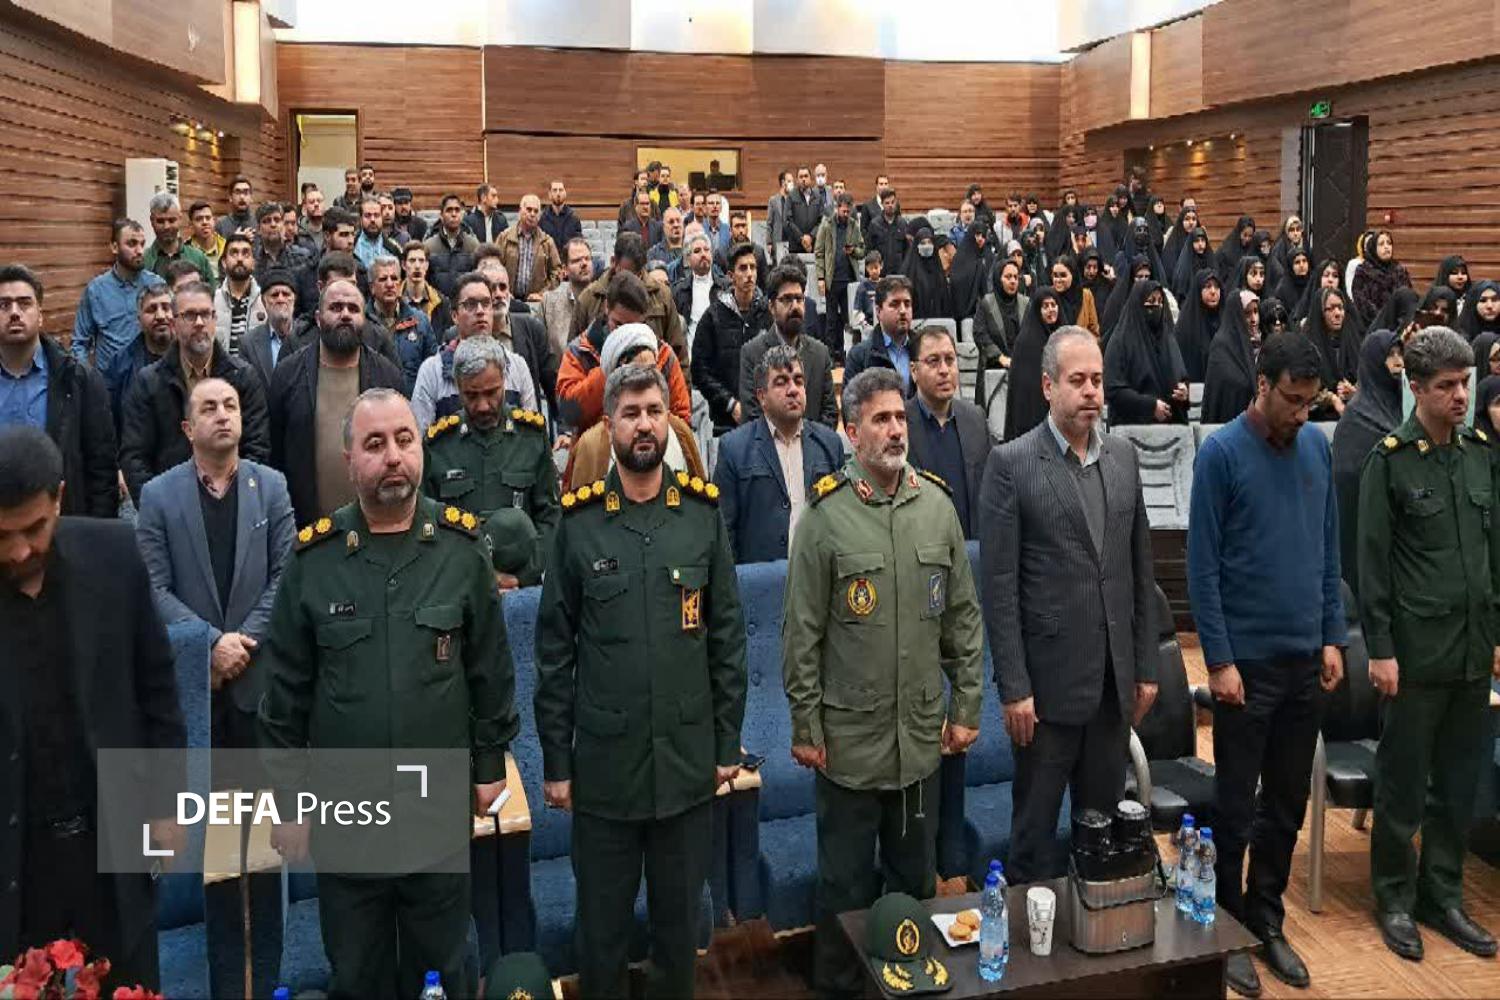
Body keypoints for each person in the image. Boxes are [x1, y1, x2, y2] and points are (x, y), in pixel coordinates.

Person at [259, 388, 515, 1000]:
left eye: (404, 439)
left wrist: (488, 768)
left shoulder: (460, 549)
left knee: (443, 972)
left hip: (436, 813)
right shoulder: (315, 561)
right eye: (374, 444)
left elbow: (490, 672)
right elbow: (284, 696)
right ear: (349, 459)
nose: (393, 456)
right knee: (358, 976)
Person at [536, 364, 746, 1000]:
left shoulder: (701, 517)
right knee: (601, 938)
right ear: (609, 425)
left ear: (671, 420)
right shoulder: (579, 525)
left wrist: (725, 745)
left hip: (685, 768)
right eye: (630, 413)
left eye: (654, 411)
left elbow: (727, 640)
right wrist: (557, 763)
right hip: (606, 774)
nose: (644, 424)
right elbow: (554, 653)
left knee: (679, 937)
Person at [782, 367, 984, 998]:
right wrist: (806, 727)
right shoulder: (824, 518)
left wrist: (967, 706)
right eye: (881, 419)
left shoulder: (937, 509)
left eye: (900, 417)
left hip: (919, 743)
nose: (897, 429)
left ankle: (909, 988)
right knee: (843, 891)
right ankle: (840, 989)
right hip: (847, 747)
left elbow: (963, 619)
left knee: (914, 886)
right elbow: (801, 635)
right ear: (851, 432)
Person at [1187, 332, 1347, 998]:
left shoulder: (1316, 447)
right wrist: (1219, 660)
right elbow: (1202, 570)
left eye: (1311, 402)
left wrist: (1332, 635)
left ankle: (1266, 918)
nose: (1302, 414)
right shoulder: (1221, 454)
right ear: (1262, 384)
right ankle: (1224, 928)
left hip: (1305, 658)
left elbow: (1328, 549)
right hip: (1245, 668)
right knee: (1234, 807)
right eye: (1292, 400)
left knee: (1285, 804)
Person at [0, 425, 185, 994]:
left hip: (113, 843)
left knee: (131, 983)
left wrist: (167, 805)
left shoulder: (114, 555)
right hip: (18, 862)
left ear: (59, 498)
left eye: (34, 529)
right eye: (1, 535)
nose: (19, 551)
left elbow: (157, 687)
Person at [133, 377, 293, 997]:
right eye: (208, 407)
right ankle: (226, 980)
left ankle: (270, 977)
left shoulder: (271, 486)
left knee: (266, 851)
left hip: (259, 694)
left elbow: (286, 574)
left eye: (229, 405)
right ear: (187, 428)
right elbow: (151, 586)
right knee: (214, 855)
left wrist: (240, 643)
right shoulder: (158, 496)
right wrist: (208, 645)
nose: (223, 415)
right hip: (198, 701)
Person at [980, 326, 1157, 882]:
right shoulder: (1011, 464)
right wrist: (1014, 687)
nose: (1091, 393)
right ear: (1047, 387)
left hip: (1111, 688)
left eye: (1097, 381)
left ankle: (1092, 927)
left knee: (1100, 839)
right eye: (1077, 381)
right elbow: (1000, 589)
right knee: (1033, 841)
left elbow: (1139, 571)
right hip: (1046, 694)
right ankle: (1029, 935)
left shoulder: (1124, 457)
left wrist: (1145, 667)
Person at [1356, 328, 1499, 962]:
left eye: (1465, 383)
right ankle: (1394, 896)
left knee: (1459, 783)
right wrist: (1381, 650)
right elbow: (1372, 566)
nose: (1460, 396)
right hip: (1414, 654)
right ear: (1416, 389)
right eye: (1446, 386)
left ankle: (1442, 895)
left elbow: (1494, 554)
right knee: (1403, 784)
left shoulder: (1480, 455)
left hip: (1472, 650)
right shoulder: (1390, 461)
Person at [422, 335, 559, 588]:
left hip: (520, 585)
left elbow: (551, 518)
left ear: (504, 382)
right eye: (471, 395)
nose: (483, 406)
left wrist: (521, 577)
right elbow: (427, 527)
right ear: (458, 388)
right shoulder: (439, 445)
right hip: (458, 585)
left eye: (491, 393)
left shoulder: (531, 436)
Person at [266, 279, 405, 524]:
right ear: (318, 319)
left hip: (374, 523)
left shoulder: (387, 376)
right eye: (336, 308)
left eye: (353, 309)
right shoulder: (288, 375)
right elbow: (274, 454)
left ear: (364, 320)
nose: (345, 315)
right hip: (306, 526)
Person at [119, 280, 270, 503]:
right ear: (174, 323)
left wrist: (234, 502)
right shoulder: (149, 383)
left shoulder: (243, 378)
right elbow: (135, 457)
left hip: (233, 504)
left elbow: (257, 449)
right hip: (170, 506)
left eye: (206, 314)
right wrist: (159, 509)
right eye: (189, 315)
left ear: (215, 319)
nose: (199, 323)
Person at [0, 265, 117, 516]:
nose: (14, 313)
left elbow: (101, 469)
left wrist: (95, 531)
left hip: (63, 520)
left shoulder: (78, 380)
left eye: (24, 303)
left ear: (40, 315)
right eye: (4, 305)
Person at [712, 346, 843, 563]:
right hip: (760, 578)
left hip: (817, 574)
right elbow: (724, 533)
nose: (793, 390)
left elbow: (840, 522)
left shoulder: (829, 444)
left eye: (798, 381)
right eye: (781, 382)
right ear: (762, 397)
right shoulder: (734, 449)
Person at [412, 271, 540, 430]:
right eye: (470, 304)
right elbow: (422, 436)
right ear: (454, 315)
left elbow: (531, 433)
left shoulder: (516, 366)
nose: (480, 311)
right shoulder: (432, 371)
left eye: (486, 303)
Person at [1330, 330, 1403, 594]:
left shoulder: (1405, 406)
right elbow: (1348, 478)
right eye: (1390, 355)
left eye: (1400, 353)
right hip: (1364, 527)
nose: (1398, 361)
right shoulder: (1357, 417)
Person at [904, 324, 991, 540]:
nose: (944, 370)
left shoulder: (975, 418)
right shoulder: (899, 423)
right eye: (933, 361)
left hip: (971, 547)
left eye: (950, 360)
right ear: (914, 371)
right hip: (920, 547)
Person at [737, 263, 837, 428]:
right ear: (771, 306)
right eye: (787, 299)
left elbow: (830, 413)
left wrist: (804, 440)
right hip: (768, 444)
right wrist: (785, 440)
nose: (795, 306)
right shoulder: (752, 354)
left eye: (799, 299)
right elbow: (752, 416)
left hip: (813, 443)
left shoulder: (820, 353)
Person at [571, 233, 685, 364]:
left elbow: (678, 354)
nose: (631, 280)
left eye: (637, 274)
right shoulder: (589, 298)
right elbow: (575, 355)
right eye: (626, 273)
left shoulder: (662, 295)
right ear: (613, 262)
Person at [73, 219, 167, 371]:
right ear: (114, 247)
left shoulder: (157, 285)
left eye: (142, 244)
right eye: (132, 244)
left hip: (150, 377)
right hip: (108, 380)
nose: (140, 251)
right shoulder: (96, 290)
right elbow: (79, 344)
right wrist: (88, 378)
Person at [1104, 281, 1188, 426]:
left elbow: (1181, 375)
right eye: (1151, 301)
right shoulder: (1120, 341)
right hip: (1131, 428)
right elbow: (1113, 389)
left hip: (1170, 428)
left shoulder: (1168, 339)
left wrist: (1184, 391)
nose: (1157, 306)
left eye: (1160, 302)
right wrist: (1150, 406)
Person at [105, 282, 176, 428]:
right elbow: (110, 419)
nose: (160, 316)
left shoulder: (193, 356)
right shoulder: (120, 364)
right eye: (151, 309)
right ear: (139, 320)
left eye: (166, 307)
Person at [367, 255, 438, 394]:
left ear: (400, 284)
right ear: (372, 287)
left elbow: (432, 370)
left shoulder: (420, 321)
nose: (389, 284)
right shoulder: (362, 324)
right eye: (383, 279)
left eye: (394, 278)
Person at [1003, 287, 1064, 441]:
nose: (1051, 310)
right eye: (1045, 306)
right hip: (1034, 418)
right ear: (1037, 310)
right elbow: (1026, 391)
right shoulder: (1027, 342)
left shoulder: (1064, 336)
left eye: (1053, 305)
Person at [813, 192, 864, 362]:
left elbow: (862, 250)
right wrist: (820, 278)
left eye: (848, 211)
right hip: (831, 279)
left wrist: (853, 251)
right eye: (843, 211)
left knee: (848, 320)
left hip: (849, 281)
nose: (846, 214)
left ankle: (845, 354)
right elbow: (819, 252)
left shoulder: (854, 226)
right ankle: (830, 355)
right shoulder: (827, 225)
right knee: (831, 320)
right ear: (837, 208)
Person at [843, 274, 915, 394]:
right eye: (894, 304)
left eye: (907, 304)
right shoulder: (859, 357)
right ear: (878, 311)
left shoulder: (923, 350)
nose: (903, 311)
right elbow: (850, 403)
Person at [1201, 291, 1261, 425]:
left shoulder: (1254, 345)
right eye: (1247, 313)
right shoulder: (1222, 345)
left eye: (1256, 312)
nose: (1254, 320)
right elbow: (1223, 388)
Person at [1303, 286, 1360, 419]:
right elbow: (1303, 390)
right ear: (1320, 313)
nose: (1338, 313)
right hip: (1316, 417)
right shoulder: (1307, 347)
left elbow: (1365, 381)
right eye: (1331, 309)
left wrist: (1353, 391)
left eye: (1340, 308)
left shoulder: (1353, 341)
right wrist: (1331, 398)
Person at [238, 269, 299, 389]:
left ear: (294, 299)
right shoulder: (248, 343)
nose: (280, 299)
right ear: (263, 301)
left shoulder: (309, 336)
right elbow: (246, 388)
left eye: (286, 294)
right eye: (274, 295)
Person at [499, 195, 562, 302]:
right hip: (507, 300)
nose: (532, 214)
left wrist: (543, 294)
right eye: (529, 210)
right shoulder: (504, 238)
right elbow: (494, 267)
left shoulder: (547, 242)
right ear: (520, 211)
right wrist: (502, 290)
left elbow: (557, 273)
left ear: (539, 216)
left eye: (536, 211)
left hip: (536, 303)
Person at [215, 233, 268, 358]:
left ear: (253, 263)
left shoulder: (265, 301)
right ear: (224, 262)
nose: (239, 259)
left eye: (245, 253)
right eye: (234, 253)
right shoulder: (212, 301)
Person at [144, 192, 213, 285]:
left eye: (171, 220)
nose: (166, 226)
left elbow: (210, 292)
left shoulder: (198, 258)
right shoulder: (144, 261)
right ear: (152, 221)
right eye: (160, 221)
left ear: (180, 219)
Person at [426, 195, 483, 299]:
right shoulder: (429, 246)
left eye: (457, 210)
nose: (453, 214)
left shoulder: (473, 245)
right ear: (441, 215)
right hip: (437, 304)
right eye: (449, 210)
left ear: (462, 214)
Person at [1352, 231, 1412, 328]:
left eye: (1389, 243)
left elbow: (1408, 298)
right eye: (1381, 244)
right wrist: (1383, 319)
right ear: (1373, 248)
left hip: (1399, 326)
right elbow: (1361, 301)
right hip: (1372, 326)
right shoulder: (1363, 271)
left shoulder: (1399, 270)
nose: (1386, 247)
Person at [1174, 269, 1223, 383]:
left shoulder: (1225, 322)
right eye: (1207, 286)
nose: (1213, 291)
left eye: (1217, 287)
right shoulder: (1185, 327)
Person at [186, 200, 225, 282]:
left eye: (208, 218)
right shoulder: (185, 251)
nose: (205, 222)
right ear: (191, 225)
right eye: (199, 219)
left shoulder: (226, 247)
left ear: (214, 221)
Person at [215, 175, 255, 239]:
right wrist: (234, 239)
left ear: (251, 197)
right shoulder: (221, 225)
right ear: (230, 197)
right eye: (237, 192)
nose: (242, 197)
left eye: (245, 192)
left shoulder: (259, 222)